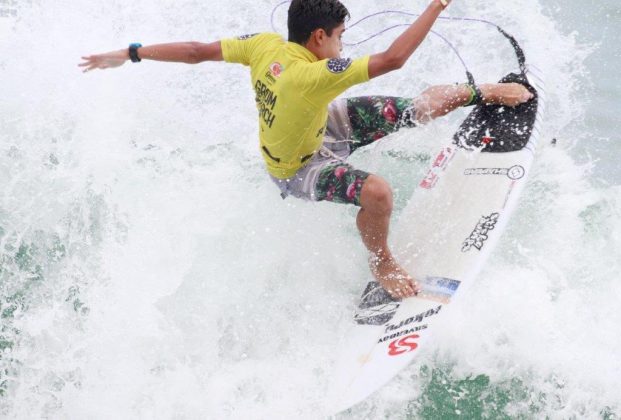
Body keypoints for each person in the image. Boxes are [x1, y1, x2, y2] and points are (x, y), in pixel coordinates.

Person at [79, 0, 533, 299]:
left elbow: (198, 51)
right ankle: (382, 264)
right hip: (296, 168)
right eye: (339, 35)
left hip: (321, 123)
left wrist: (131, 52)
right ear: (318, 37)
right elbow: (394, 58)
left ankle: (483, 93)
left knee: (414, 108)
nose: (342, 44)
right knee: (377, 192)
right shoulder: (314, 74)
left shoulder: (264, 46)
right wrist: (437, 4)